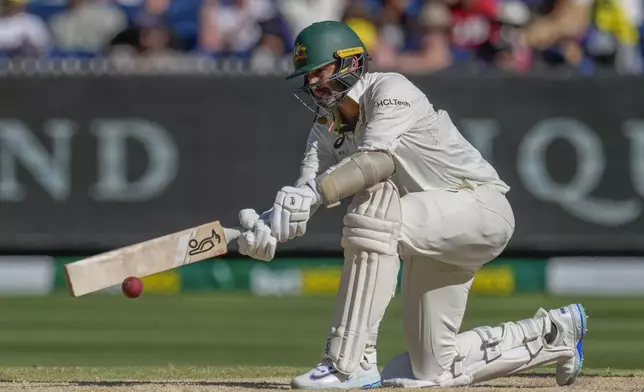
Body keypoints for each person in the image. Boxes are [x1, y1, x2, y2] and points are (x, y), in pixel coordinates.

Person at [236, 20, 588, 390]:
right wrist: (270, 225)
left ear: (349, 63)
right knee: (431, 368)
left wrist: (310, 196)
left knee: (374, 205)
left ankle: (349, 362)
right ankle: (554, 332)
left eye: (319, 73)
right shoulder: (324, 127)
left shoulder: (390, 89)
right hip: (426, 233)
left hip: (479, 208)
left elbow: (378, 161)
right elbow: (306, 192)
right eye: (307, 78)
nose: (312, 84)